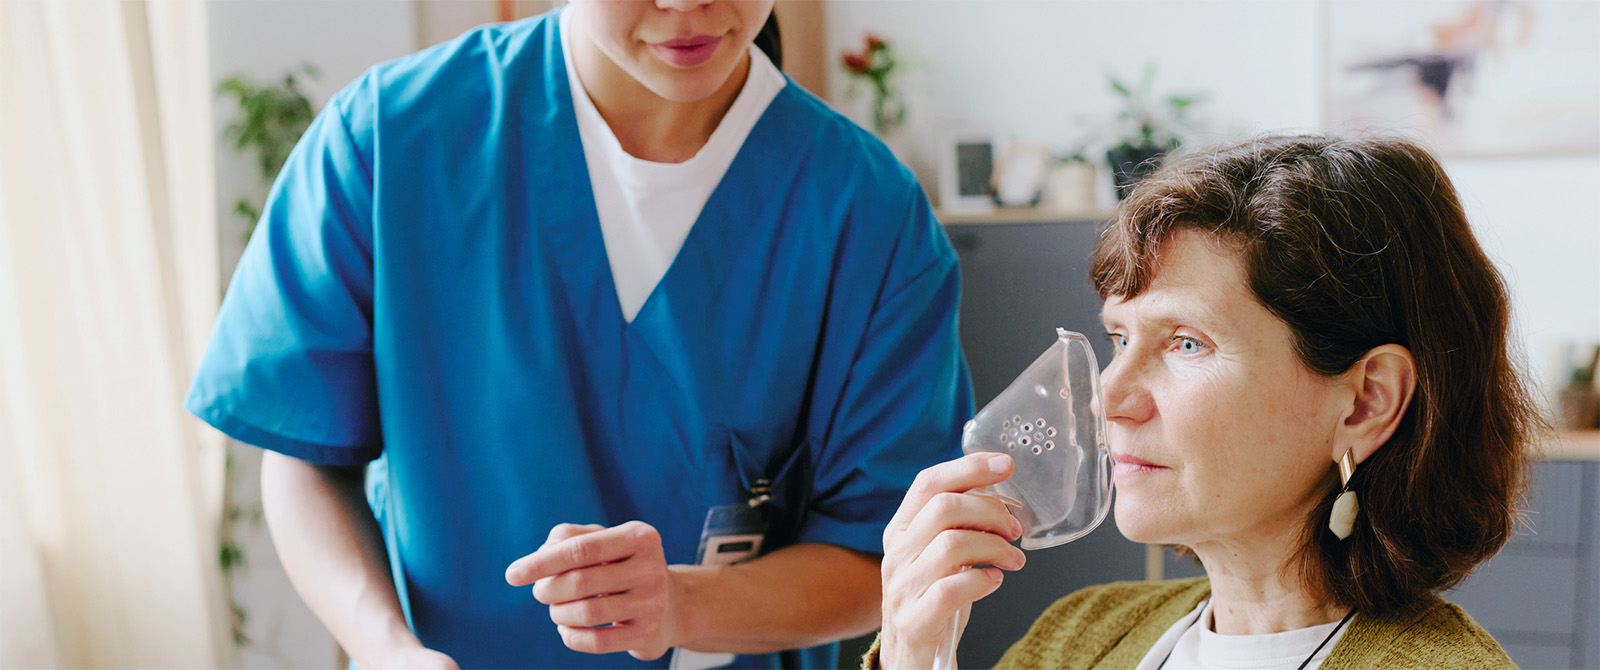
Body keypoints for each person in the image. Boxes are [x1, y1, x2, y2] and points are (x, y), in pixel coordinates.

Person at [184, 1, 972, 668]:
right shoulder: (391, 140)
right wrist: (387, 648)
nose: (689, 3)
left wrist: (682, 605)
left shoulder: (867, 213)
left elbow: (886, 553)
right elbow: (305, 462)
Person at [873, 135, 1539, 669]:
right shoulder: (1076, 639)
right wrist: (913, 660)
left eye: (1186, 343)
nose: (1108, 397)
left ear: (1366, 402)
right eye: (1119, 337)